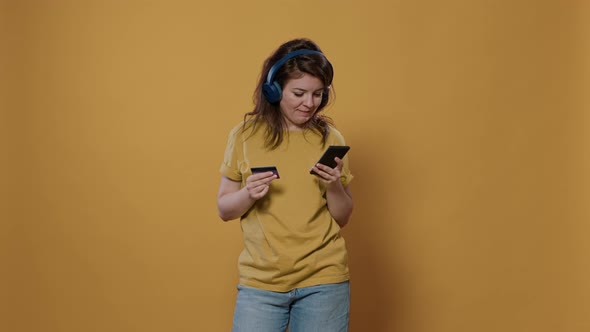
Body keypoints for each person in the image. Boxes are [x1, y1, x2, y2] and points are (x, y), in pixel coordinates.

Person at [217, 38, 354, 332]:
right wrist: (247, 194)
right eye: (299, 93)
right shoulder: (244, 136)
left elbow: (342, 216)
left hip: (324, 279)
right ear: (274, 89)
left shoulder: (331, 139)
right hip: (261, 283)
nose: (309, 103)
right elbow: (225, 209)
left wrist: (333, 186)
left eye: (318, 94)